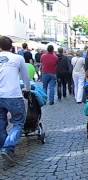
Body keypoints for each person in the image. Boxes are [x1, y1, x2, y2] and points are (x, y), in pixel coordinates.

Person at [0, 36, 31, 164]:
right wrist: (27, 89)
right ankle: (8, 148)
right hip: (13, 94)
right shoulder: (18, 58)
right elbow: (25, 77)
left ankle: (5, 147)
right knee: (18, 122)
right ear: (11, 46)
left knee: (1, 123)